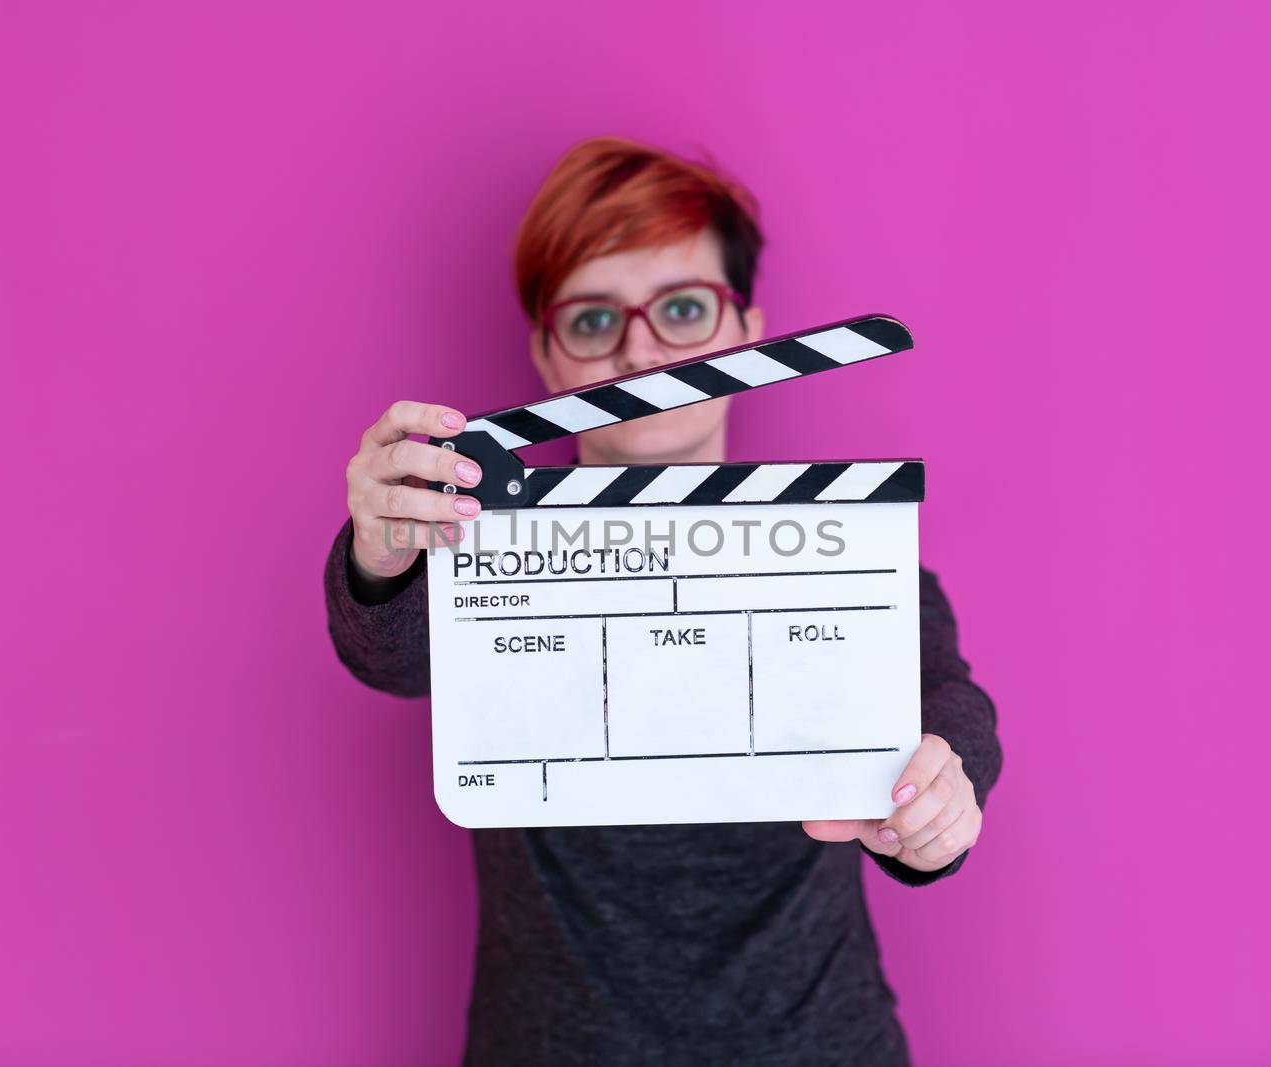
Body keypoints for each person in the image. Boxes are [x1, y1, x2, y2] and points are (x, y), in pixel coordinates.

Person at [324, 136, 1003, 1065]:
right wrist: (382, 544)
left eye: (682, 308)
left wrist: (942, 796)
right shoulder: (482, 548)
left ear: (746, 331)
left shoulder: (846, 554)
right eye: (595, 320)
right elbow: (392, 654)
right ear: (547, 355)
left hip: (814, 1041)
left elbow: (942, 697)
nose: (641, 350)